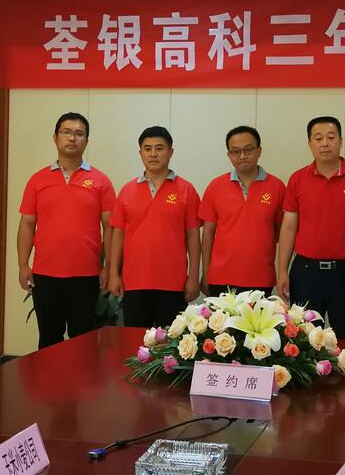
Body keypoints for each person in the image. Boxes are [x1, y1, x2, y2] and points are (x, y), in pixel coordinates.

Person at [17, 112, 115, 349]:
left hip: (85, 275)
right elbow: (27, 224)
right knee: (49, 340)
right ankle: (49, 376)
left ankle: (81, 376)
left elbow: (110, 227)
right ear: (55, 138)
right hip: (45, 274)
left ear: (86, 141)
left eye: (79, 134)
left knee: (82, 341)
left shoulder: (100, 181)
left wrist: (108, 267)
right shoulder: (38, 180)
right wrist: (23, 265)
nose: (72, 138)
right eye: (67, 132)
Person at [277, 116, 345, 339]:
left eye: (331, 137)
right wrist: (282, 271)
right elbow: (289, 227)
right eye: (318, 138)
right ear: (309, 144)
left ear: (340, 141)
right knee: (304, 339)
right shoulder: (298, 179)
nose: (325, 143)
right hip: (305, 272)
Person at [107, 125, 201, 328]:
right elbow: (118, 234)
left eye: (159, 148)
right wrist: (114, 274)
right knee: (135, 342)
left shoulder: (186, 190)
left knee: (171, 342)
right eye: (147, 149)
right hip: (134, 282)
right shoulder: (127, 190)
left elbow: (193, 236)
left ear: (171, 152)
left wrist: (194, 276)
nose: (153, 154)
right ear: (140, 153)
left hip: (173, 284)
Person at [200, 125, 285, 297]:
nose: (242, 156)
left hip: (260, 278)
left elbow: (281, 232)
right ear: (229, 155)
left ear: (259, 151)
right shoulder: (216, 186)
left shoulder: (277, 187)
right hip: (220, 278)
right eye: (235, 151)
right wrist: (206, 272)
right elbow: (208, 233)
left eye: (248, 150)